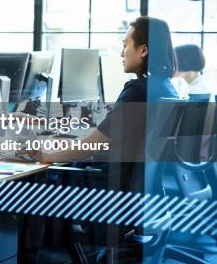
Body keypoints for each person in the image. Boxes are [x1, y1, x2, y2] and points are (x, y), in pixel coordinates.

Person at [23, 16, 178, 170]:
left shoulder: (137, 92)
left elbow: (92, 145)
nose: (122, 53)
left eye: (125, 46)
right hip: (135, 181)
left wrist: (46, 157)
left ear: (143, 50)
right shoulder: (167, 88)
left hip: (107, 183)